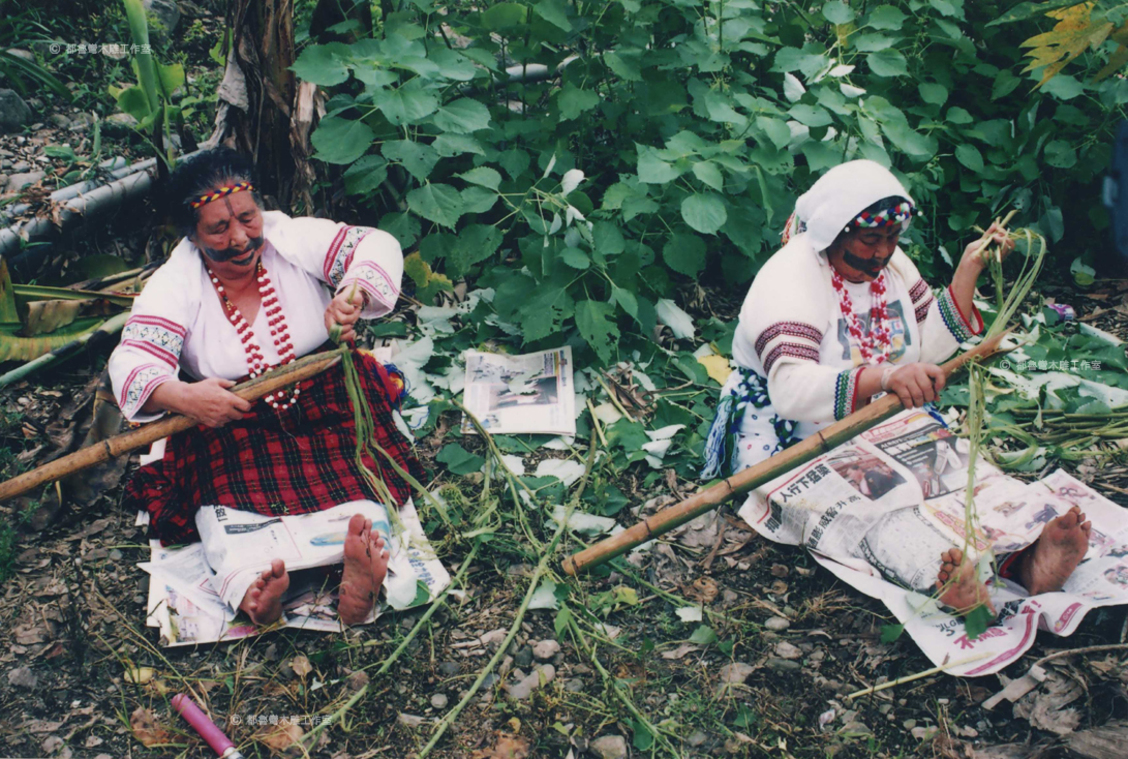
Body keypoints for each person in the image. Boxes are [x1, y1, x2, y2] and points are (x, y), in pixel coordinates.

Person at [703, 159, 1091, 610]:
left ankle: (1024, 559)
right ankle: (942, 575)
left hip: (880, 418)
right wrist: (886, 377)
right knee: (866, 509)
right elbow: (790, 393)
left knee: (958, 472)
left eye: (891, 239)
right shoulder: (789, 280)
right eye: (870, 239)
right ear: (833, 233)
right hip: (788, 434)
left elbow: (924, 349)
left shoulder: (890, 266)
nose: (882, 252)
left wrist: (968, 270)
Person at [110, 147, 423, 626]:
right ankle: (253, 586)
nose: (239, 239)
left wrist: (350, 293)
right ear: (192, 235)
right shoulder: (176, 282)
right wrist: (185, 397)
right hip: (231, 413)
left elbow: (375, 245)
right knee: (224, 493)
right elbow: (132, 360)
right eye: (218, 228)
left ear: (259, 208)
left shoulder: (290, 237)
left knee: (354, 468)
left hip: (322, 391)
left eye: (247, 218)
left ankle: (357, 576)